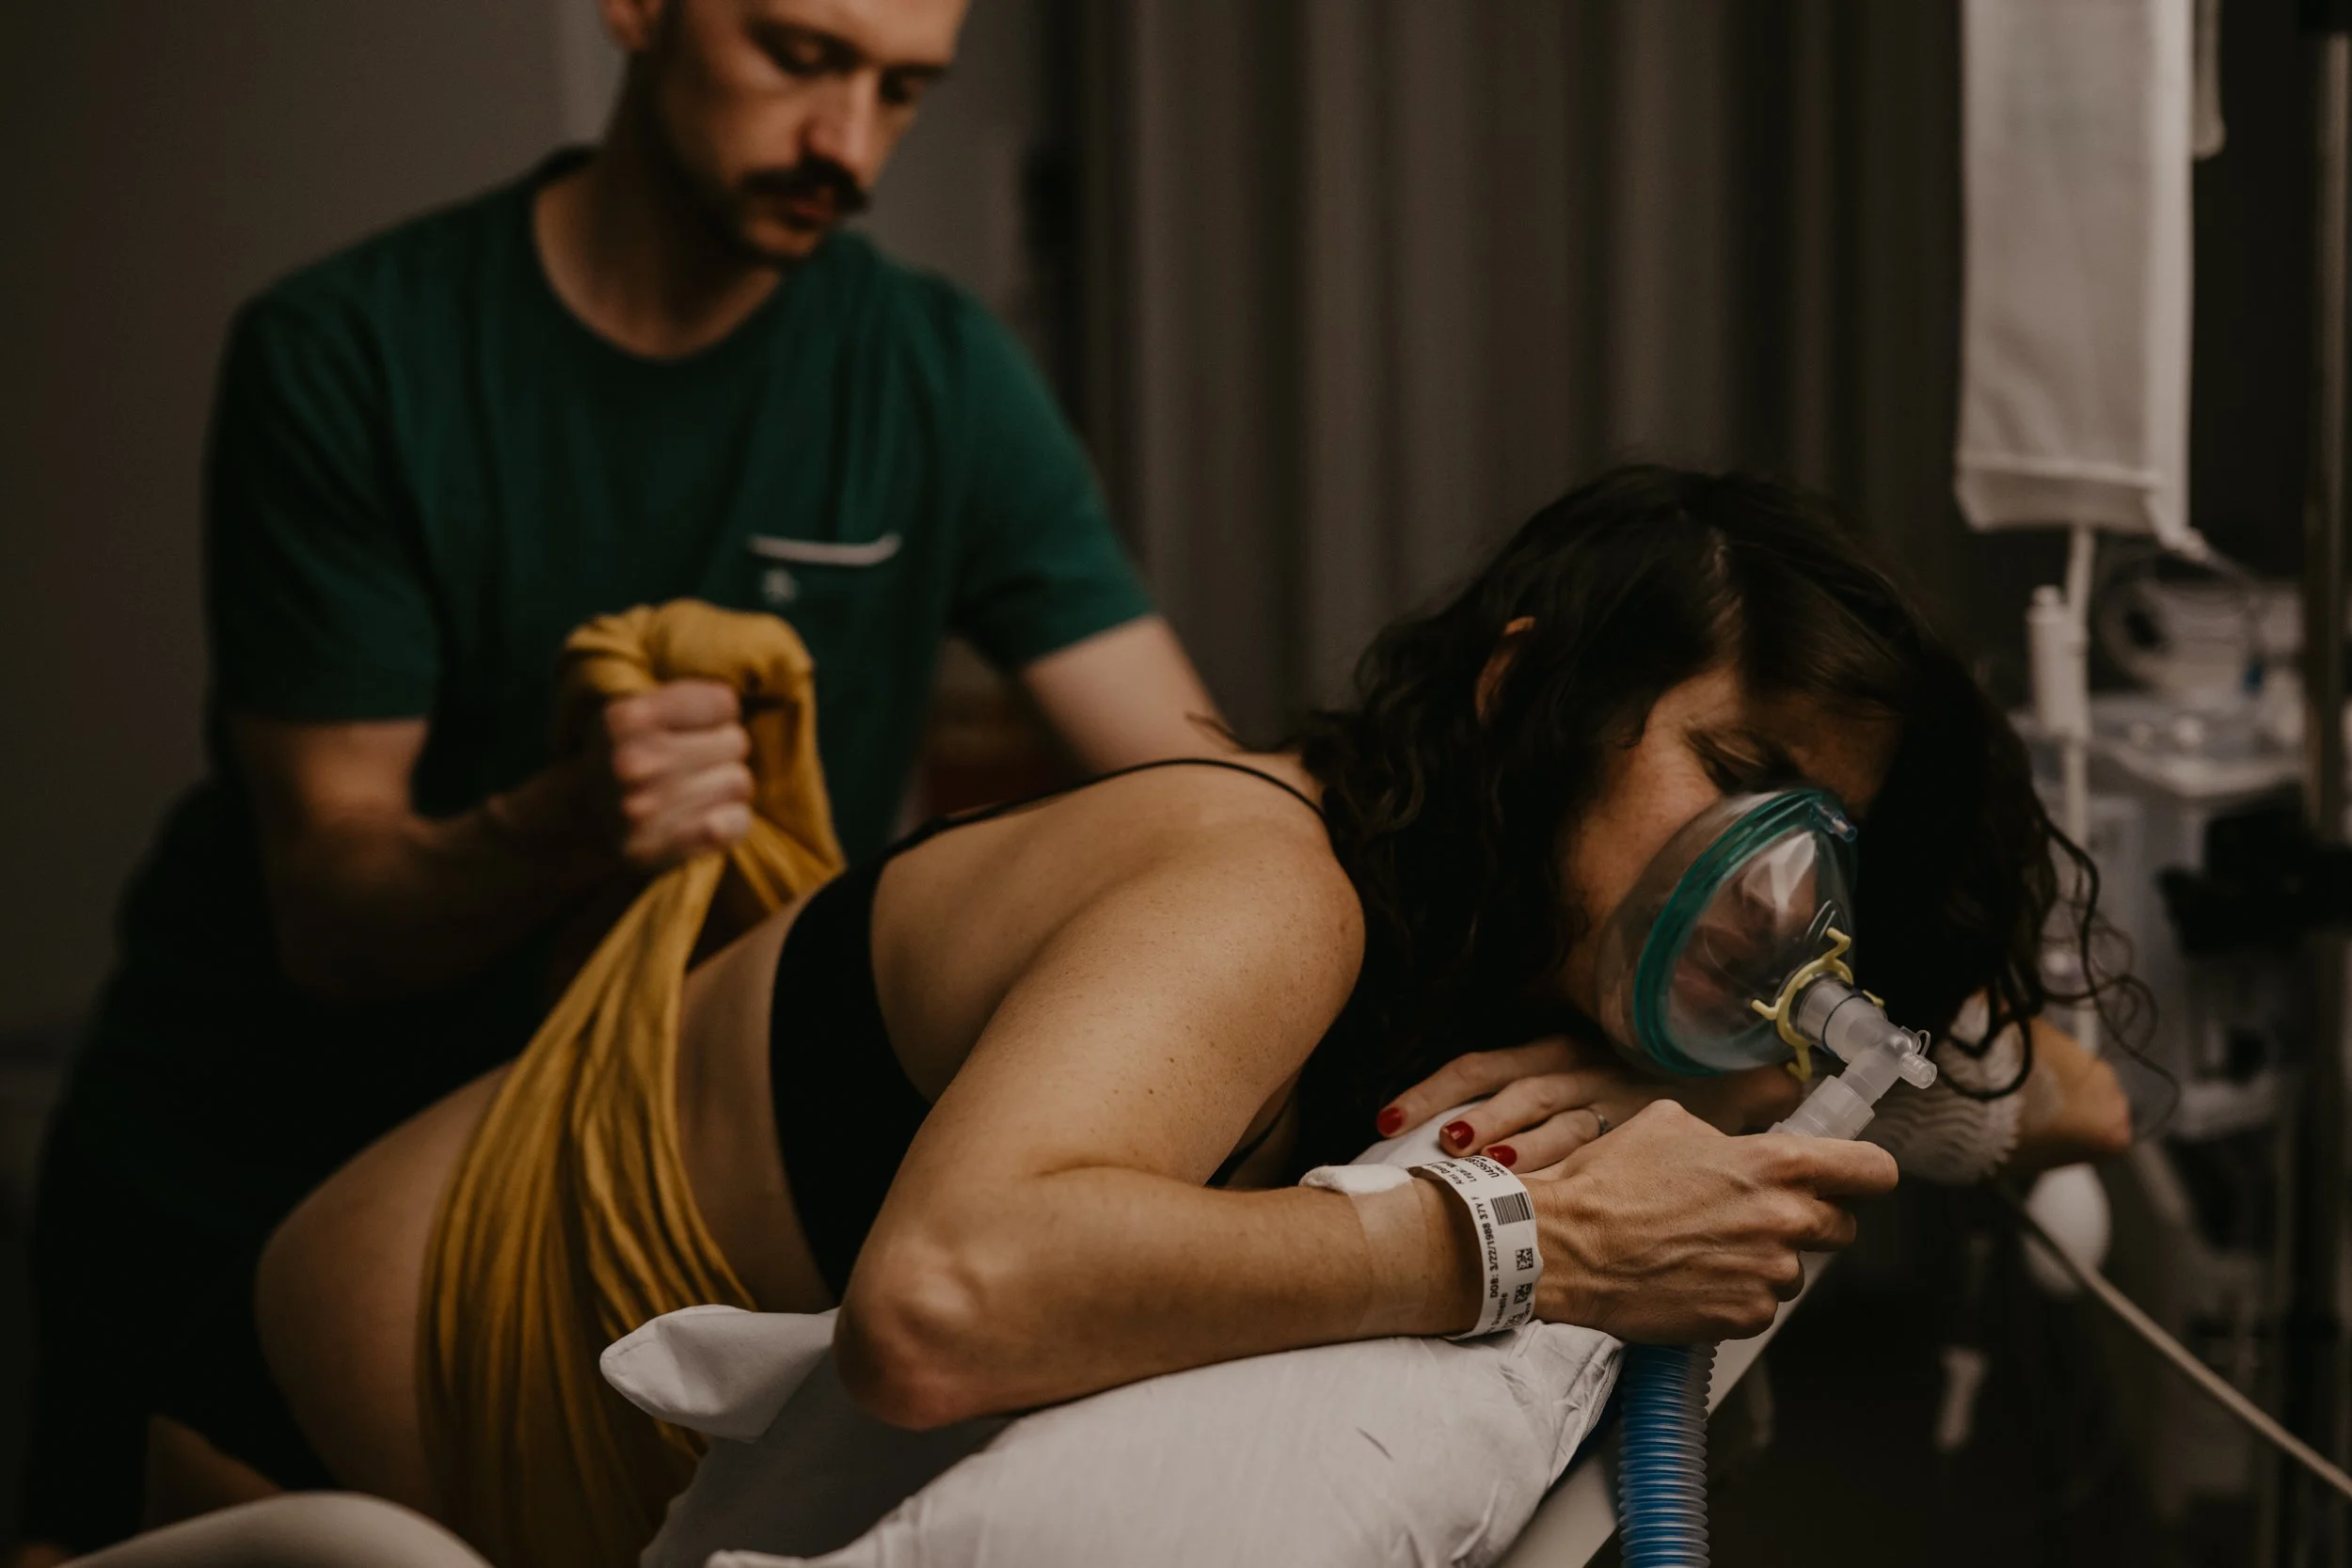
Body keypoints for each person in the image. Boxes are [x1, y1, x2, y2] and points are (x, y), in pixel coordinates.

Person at [255, 467, 2133, 1567]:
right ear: (1522, 694)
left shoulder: (1519, 990)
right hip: (300, 1480)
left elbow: (2063, 1098)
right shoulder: (1264, 880)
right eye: (1732, 770)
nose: (1767, 885)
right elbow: (943, 1302)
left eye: (1818, 843)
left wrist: (1667, 1050)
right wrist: (1526, 1233)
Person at [21, 0, 1221, 1556]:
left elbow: (1194, 773)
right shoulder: (350, 353)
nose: (846, 146)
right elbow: (335, 909)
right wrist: (562, 822)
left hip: (578, 1209)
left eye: (903, 90)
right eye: (801, 57)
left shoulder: (931, 373)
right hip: (241, 1182)